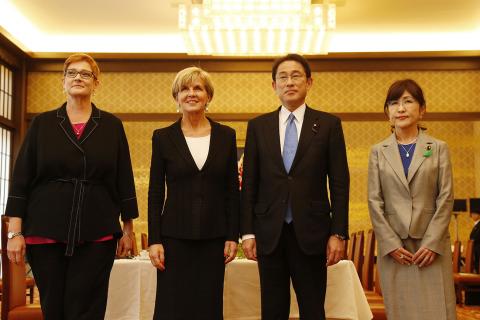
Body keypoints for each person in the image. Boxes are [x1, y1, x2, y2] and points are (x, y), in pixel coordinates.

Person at [5, 53, 139, 319]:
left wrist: (128, 227)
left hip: (97, 229)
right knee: (54, 306)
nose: (78, 77)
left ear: (96, 83)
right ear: (63, 81)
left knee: (89, 307)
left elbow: (124, 176)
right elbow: (21, 178)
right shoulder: (42, 124)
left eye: (86, 73)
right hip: (46, 228)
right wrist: (14, 233)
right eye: (72, 73)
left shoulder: (111, 125)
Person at [240, 53, 349, 320]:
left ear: (309, 82)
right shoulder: (258, 126)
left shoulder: (328, 125)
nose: (289, 82)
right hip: (269, 232)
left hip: (313, 231)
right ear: (274, 85)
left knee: (313, 309)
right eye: (283, 77)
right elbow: (250, 183)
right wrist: (247, 233)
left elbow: (339, 182)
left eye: (296, 76)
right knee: (272, 309)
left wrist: (338, 232)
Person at [148, 66, 239, 319]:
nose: (191, 93)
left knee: (208, 306)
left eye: (197, 88)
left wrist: (233, 235)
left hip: (215, 237)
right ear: (176, 97)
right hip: (173, 238)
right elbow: (156, 191)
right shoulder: (163, 137)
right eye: (184, 89)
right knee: (172, 306)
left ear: (208, 96)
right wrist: (154, 239)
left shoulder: (226, 136)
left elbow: (232, 190)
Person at [368, 79, 456, 320]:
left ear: (422, 109)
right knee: (401, 312)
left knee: (438, 311)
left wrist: (432, 242)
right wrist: (391, 243)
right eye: (394, 103)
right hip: (397, 251)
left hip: (432, 248)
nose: (401, 108)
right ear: (387, 112)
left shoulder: (437, 148)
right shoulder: (378, 151)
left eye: (408, 101)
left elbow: (446, 196)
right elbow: (374, 201)